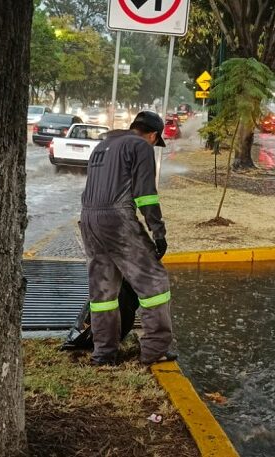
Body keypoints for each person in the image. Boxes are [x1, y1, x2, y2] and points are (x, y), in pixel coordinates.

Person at [80, 111, 177, 366]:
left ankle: (104, 353)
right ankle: (155, 349)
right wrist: (158, 231)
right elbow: (146, 195)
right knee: (154, 281)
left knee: (103, 289)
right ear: (153, 135)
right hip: (117, 220)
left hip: (88, 219)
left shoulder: (101, 147)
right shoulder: (140, 146)